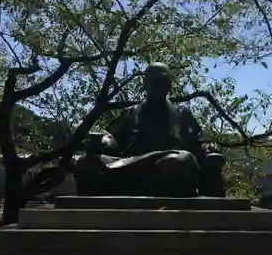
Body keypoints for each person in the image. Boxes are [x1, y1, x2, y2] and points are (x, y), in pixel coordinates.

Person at [73, 62, 225, 197]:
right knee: (84, 161)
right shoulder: (131, 113)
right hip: (130, 167)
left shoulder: (181, 114)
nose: (157, 85)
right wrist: (105, 140)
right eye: (153, 81)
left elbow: (198, 141)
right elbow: (113, 138)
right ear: (145, 84)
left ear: (169, 85)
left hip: (166, 166)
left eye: (162, 81)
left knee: (181, 160)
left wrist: (208, 148)